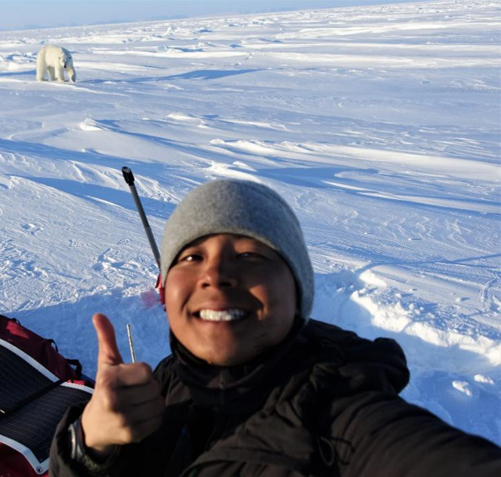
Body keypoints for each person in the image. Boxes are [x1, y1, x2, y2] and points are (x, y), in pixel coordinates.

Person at [49, 179, 501, 476]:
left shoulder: (343, 418)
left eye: (251, 254)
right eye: (191, 257)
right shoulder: (167, 382)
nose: (216, 274)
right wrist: (88, 445)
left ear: (298, 291)